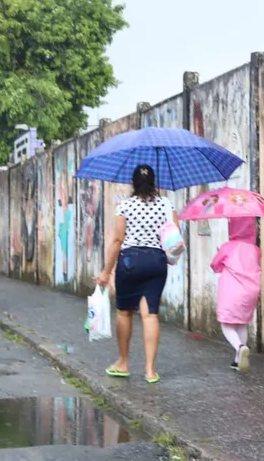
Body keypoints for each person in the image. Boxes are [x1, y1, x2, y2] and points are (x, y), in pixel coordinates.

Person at [96, 164, 179, 384]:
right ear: (154, 182)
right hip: (156, 261)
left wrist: (106, 272)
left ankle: (123, 363)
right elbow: (174, 236)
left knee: (124, 313)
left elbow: (117, 241)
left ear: (133, 183)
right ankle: (150, 370)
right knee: (150, 314)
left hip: (130, 261)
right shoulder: (167, 205)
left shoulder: (125, 206)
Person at [211, 216, 262, 372]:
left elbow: (215, 265)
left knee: (226, 324)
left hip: (232, 291)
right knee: (241, 323)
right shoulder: (255, 249)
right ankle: (237, 360)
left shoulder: (228, 247)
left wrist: (220, 252)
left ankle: (240, 347)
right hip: (251, 292)